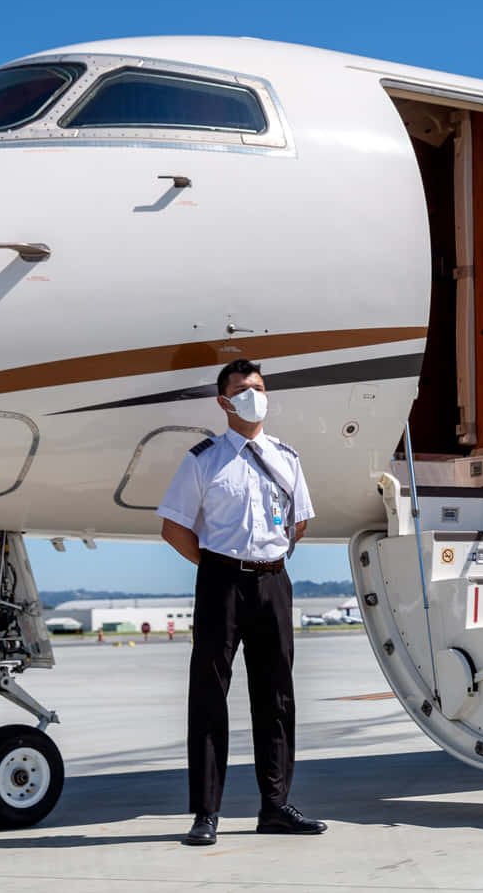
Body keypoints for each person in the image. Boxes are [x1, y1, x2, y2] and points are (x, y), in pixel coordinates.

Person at [158, 358, 326, 845]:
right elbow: (174, 527)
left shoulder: (286, 457)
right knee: (209, 698)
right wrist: (219, 567)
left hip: (274, 582)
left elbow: (299, 522)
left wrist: (265, 564)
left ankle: (275, 806)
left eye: (259, 387)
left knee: (276, 699)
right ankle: (206, 813)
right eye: (243, 389)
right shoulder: (204, 459)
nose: (254, 395)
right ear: (224, 401)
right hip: (222, 584)